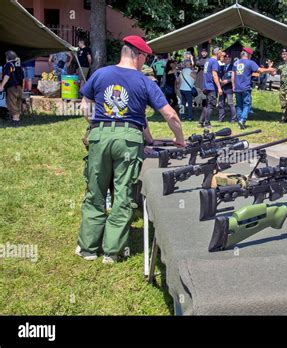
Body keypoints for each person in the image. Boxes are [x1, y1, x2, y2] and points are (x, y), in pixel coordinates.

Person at [76, 35, 185, 263]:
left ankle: (87, 248)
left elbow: (85, 105)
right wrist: (180, 139)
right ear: (138, 55)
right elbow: (170, 115)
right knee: (123, 193)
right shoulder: (145, 82)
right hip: (128, 139)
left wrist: (95, 126)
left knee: (95, 190)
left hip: (100, 135)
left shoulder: (100, 74)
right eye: (145, 57)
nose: (145, 62)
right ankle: (112, 251)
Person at [232, 47, 275, 129]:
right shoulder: (250, 62)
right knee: (247, 104)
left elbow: (233, 74)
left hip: (237, 87)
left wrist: (233, 85)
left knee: (239, 105)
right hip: (245, 87)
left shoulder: (236, 63)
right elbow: (260, 70)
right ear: (248, 54)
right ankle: (242, 120)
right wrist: (269, 69)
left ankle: (239, 122)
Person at [199, 47, 221, 128]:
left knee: (207, 105)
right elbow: (214, 74)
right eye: (220, 52)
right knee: (211, 105)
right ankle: (207, 123)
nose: (221, 54)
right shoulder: (214, 61)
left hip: (205, 85)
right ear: (217, 53)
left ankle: (201, 122)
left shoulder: (207, 61)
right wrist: (219, 87)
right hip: (211, 86)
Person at [0, 51, 24, 125]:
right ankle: (18, 119)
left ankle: (15, 120)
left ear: (7, 58)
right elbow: (23, 77)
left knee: (11, 103)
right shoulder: (18, 65)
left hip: (12, 87)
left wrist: (2, 86)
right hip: (20, 87)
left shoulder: (8, 65)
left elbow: (7, 76)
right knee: (18, 103)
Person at [218, 53, 236, 122]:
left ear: (230, 59)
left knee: (230, 103)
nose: (226, 60)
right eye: (225, 58)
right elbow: (219, 76)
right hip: (222, 87)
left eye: (228, 59)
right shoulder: (222, 67)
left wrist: (228, 81)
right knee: (220, 103)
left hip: (229, 88)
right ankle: (221, 118)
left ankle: (233, 119)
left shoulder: (233, 67)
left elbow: (234, 77)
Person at [195, 48, 209, 120]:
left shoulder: (208, 60)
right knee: (202, 101)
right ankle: (203, 116)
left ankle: (205, 117)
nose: (203, 53)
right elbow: (197, 63)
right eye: (202, 52)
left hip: (205, 83)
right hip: (200, 83)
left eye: (205, 52)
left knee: (205, 101)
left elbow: (202, 64)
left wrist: (201, 65)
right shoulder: (199, 60)